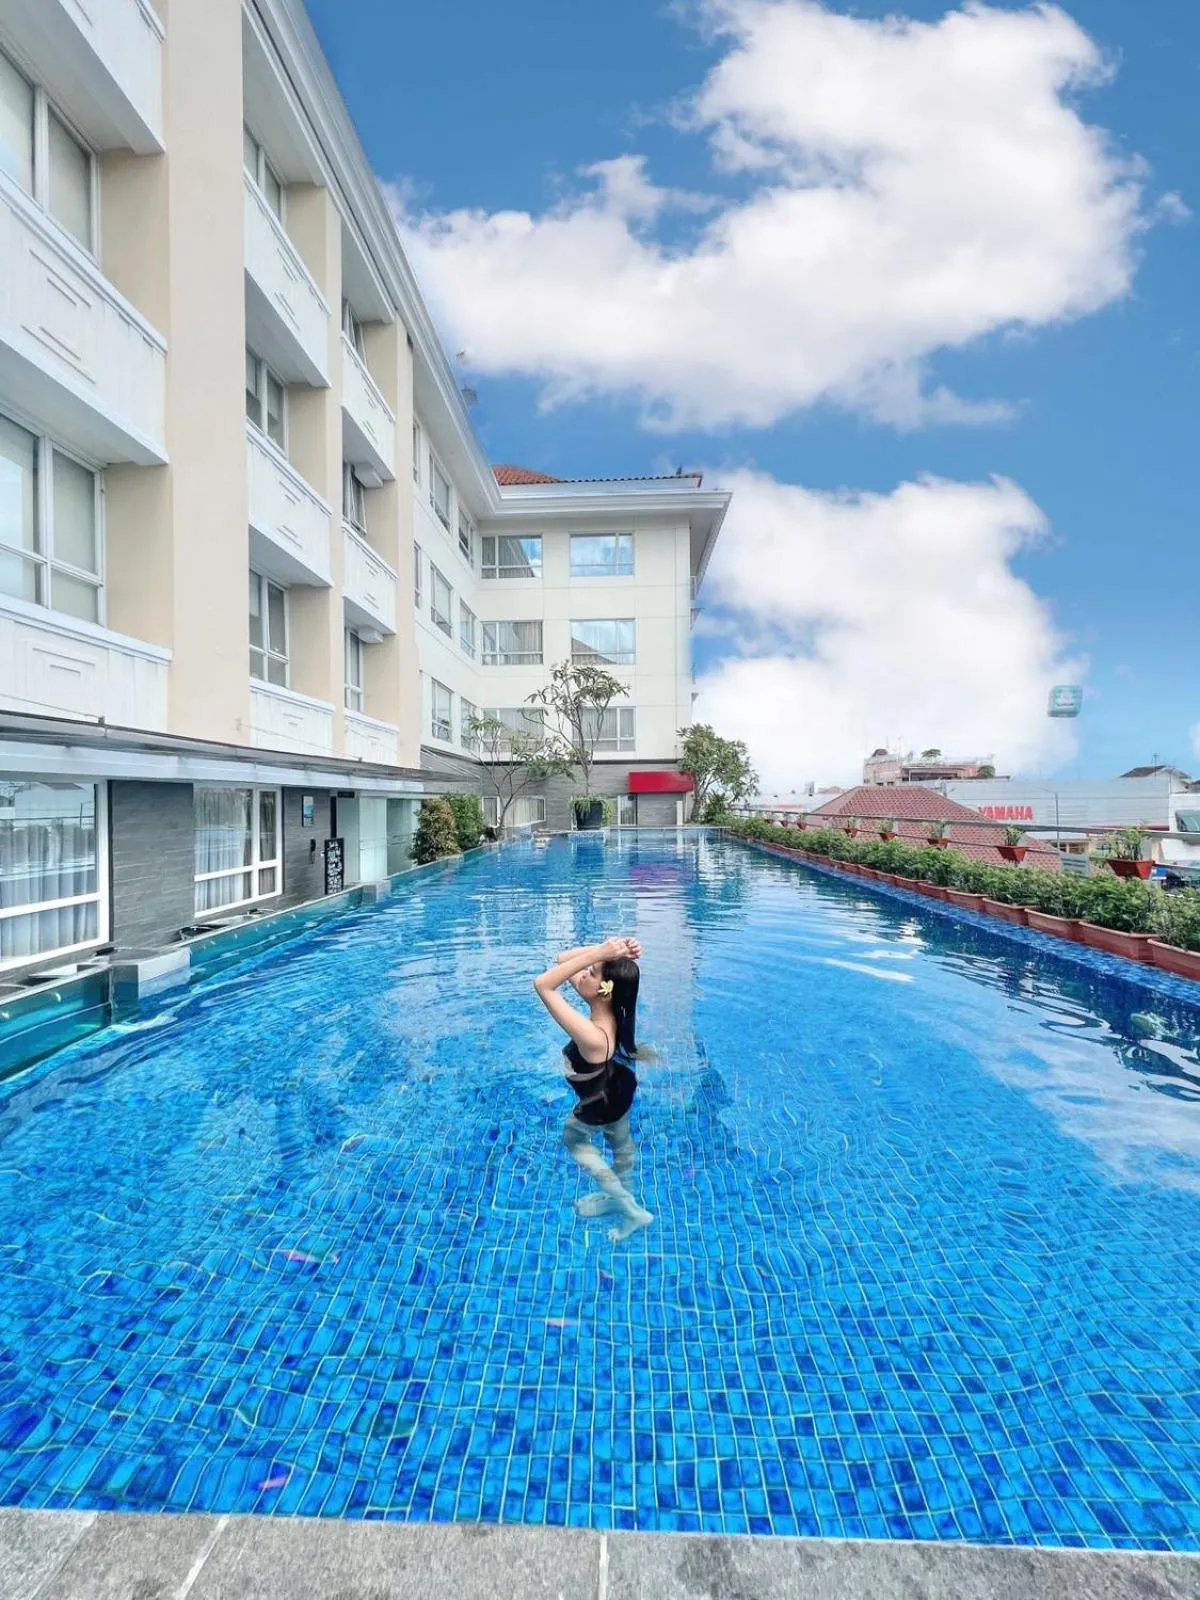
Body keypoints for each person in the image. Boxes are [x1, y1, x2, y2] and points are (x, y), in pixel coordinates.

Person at [533, 936, 653, 1243]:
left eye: (592, 971)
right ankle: (621, 1194)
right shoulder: (612, 1014)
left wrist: (602, 954)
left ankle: (630, 1209)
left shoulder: (593, 1036)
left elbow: (543, 984)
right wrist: (609, 949)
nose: (583, 973)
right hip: (619, 1088)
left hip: (600, 1102)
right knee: (621, 1143)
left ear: (604, 990)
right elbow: (563, 960)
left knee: (574, 1140)